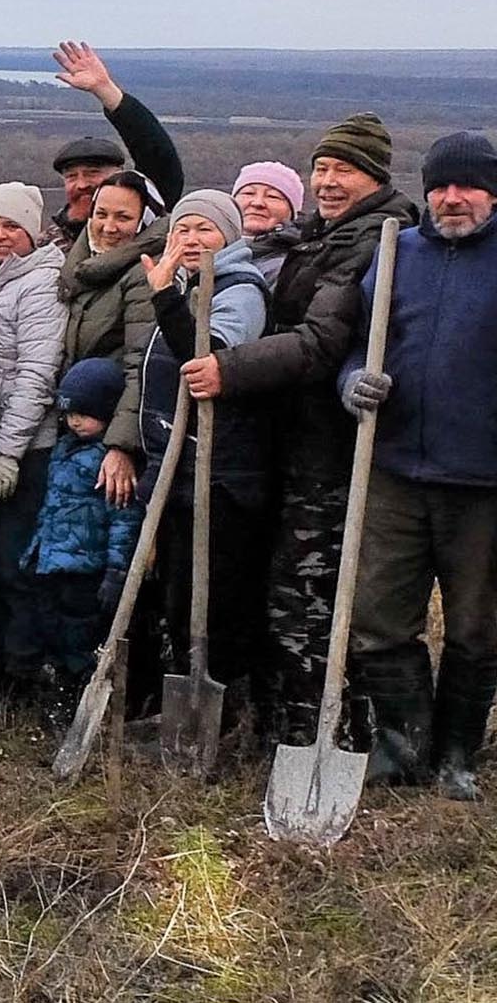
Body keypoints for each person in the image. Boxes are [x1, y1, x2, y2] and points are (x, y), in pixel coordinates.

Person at [184, 114, 417, 745]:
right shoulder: (316, 234)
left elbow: (319, 343)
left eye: (344, 170)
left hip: (330, 447)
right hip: (285, 439)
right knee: (277, 588)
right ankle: (281, 722)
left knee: (307, 597)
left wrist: (227, 369)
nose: (329, 181)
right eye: (321, 168)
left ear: (374, 176)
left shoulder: (374, 240)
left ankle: (318, 732)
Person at [341, 130, 497, 801]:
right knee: (378, 615)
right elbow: (353, 348)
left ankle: (459, 753)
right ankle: (404, 746)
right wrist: (352, 382)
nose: (452, 198)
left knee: (475, 624)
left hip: (483, 481)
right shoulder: (393, 254)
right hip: (395, 469)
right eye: (440, 185)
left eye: (467, 186)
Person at [136, 190, 272, 718]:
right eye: (183, 230)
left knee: (216, 602)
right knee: (177, 596)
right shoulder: (190, 286)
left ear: (230, 236)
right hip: (180, 467)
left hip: (223, 473)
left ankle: (231, 714)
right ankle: (183, 708)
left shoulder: (241, 290)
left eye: (205, 231)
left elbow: (204, 359)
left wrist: (164, 297)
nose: (192, 241)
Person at [0, 183, 68, 682]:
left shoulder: (43, 284)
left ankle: (25, 669)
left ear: (31, 230)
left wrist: (8, 450)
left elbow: (36, 373)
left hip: (25, 452)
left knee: (16, 565)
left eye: (11, 226)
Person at [15, 358, 143, 727]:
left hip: (87, 568)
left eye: (86, 414)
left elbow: (124, 518)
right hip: (53, 563)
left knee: (80, 635)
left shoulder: (112, 462)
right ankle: (59, 689)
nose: (76, 421)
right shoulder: (63, 449)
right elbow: (53, 506)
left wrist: (117, 570)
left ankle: (82, 698)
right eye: (71, 413)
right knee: (53, 629)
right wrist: (36, 550)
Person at [59, 169, 168, 510]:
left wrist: (122, 447)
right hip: (82, 428)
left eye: (123, 217)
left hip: (113, 441)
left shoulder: (143, 274)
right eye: (101, 214)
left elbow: (141, 364)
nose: (108, 227)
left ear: (143, 222)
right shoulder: (86, 268)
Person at [44, 42, 185, 248]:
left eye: (92, 173)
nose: (82, 184)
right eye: (71, 176)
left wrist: (105, 90)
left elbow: (159, 157)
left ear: (119, 174)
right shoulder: (50, 243)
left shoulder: (145, 228)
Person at [232, 161, 306, 280]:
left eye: (272, 196)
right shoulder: (206, 251)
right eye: (248, 193)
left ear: (292, 212)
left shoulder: (289, 268)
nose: (257, 203)